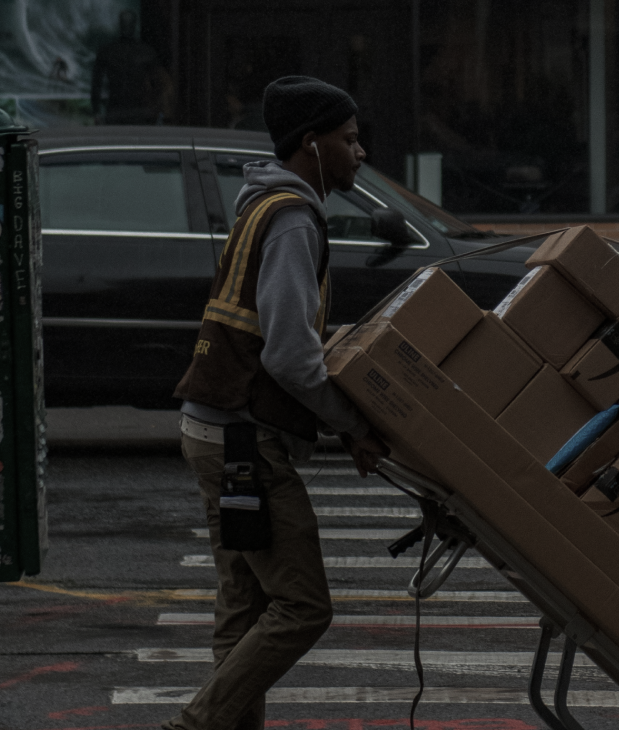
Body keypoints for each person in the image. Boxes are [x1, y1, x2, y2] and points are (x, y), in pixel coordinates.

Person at [166, 76, 388, 730]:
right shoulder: (293, 217)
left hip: (214, 431)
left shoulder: (261, 205)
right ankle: (194, 724)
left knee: (245, 607)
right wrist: (355, 425)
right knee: (301, 607)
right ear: (310, 143)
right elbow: (291, 355)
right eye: (348, 139)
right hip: (244, 439)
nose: (360, 152)